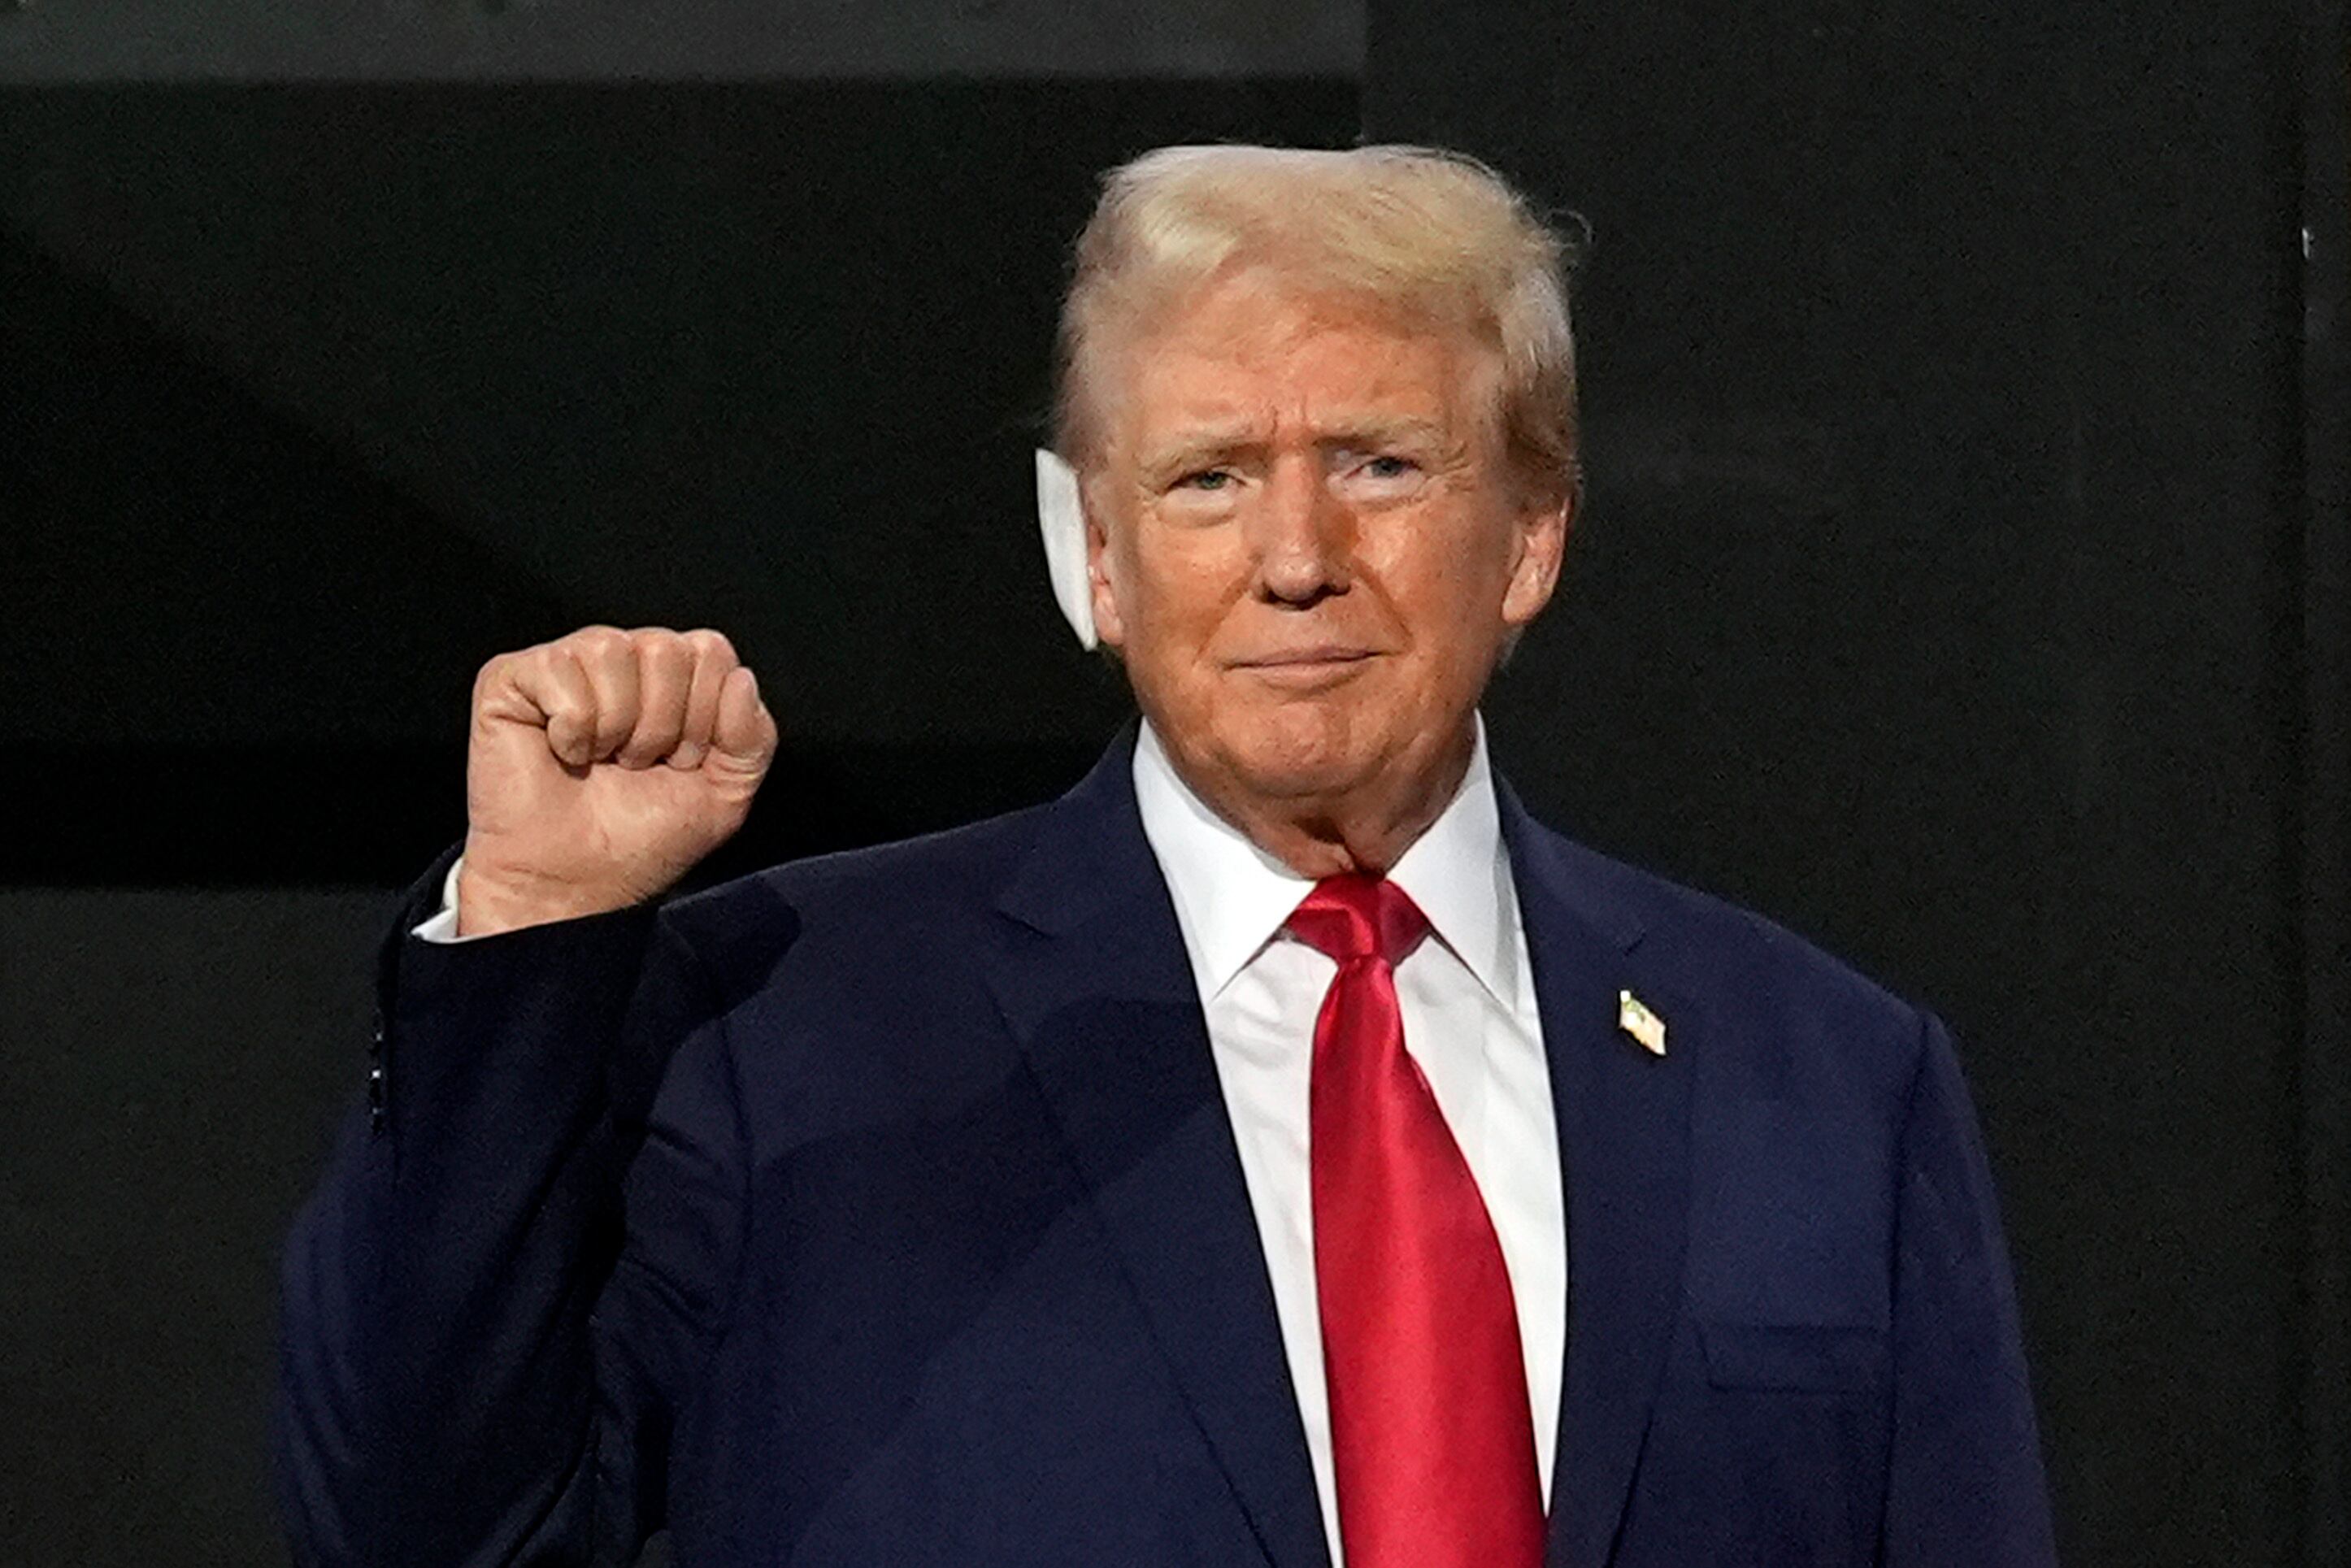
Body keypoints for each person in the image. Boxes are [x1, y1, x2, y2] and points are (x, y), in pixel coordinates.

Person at [276, 144, 2058, 1567]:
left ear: (1529, 535)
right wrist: (527, 926)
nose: (1296, 554)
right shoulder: (786, 1032)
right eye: (1208, 476)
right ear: (1102, 560)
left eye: (1378, 461)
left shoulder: (1825, 1075)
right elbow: (423, 1528)